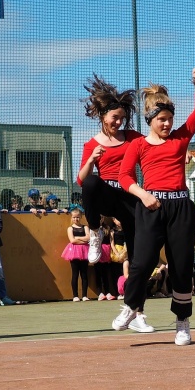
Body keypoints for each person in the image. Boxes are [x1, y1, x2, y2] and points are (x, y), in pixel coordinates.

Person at [112, 67, 195, 346]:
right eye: (161, 120)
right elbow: (124, 177)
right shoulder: (138, 145)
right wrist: (143, 195)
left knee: (181, 267)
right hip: (151, 207)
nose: (167, 124)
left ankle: (182, 323)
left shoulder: (180, 139)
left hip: (181, 209)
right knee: (142, 262)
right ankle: (131, 307)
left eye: (170, 119)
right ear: (150, 119)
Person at [78, 75, 141, 264]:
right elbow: (81, 181)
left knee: (137, 256)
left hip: (129, 196)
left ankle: (136, 276)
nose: (119, 122)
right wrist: (91, 159)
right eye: (115, 117)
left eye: (122, 118)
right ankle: (95, 231)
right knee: (90, 181)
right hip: (108, 197)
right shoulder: (92, 144)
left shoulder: (132, 138)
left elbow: (154, 147)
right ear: (103, 117)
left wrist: (183, 152)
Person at [61, 209, 91, 301]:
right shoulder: (70, 228)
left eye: (78, 217)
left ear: (81, 217)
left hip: (84, 251)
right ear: (71, 217)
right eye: (74, 217)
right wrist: (82, 239)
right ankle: (75, 296)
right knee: (75, 274)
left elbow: (89, 237)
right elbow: (72, 240)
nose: (76, 219)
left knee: (84, 274)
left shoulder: (85, 227)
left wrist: (77, 237)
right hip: (74, 252)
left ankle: (85, 295)